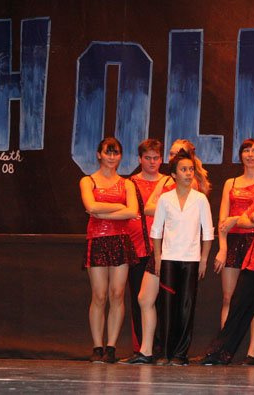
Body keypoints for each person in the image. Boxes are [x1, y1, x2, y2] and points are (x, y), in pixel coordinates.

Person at [121, 143, 210, 366]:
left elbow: (204, 229)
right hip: (164, 252)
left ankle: (166, 351)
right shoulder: (166, 188)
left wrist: (203, 258)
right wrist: (158, 254)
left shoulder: (190, 189)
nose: (187, 172)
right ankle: (150, 349)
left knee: (173, 303)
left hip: (183, 254)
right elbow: (151, 213)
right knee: (147, 299)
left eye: (177, 153)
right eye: (172, 153)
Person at [79, 137, 138, 363]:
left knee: (117, 294)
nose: (112, 157)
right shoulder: (88, 181)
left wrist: (102, 212)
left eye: (116, 153)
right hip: (97, 240)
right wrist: (119, 207)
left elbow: (132, 212)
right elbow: (90, 206)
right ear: (99, 154)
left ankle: (111, 347)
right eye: (108, 152)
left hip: (121, 240)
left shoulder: (127, 184)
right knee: (99, 295)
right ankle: (97, 346)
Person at [212, 138, 254, 364]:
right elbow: (223, 221)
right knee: (228, 297)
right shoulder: (230, 183)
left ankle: (253, 351)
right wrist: (222, 248)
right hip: (233, 243)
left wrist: (238, 220)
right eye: (246, 151)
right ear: (240, 155)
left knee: (253, 301)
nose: (250, 154)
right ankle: (223, 349)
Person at [123, 139, 167, 356]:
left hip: (164, 249)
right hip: (137, 248)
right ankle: (141, 348)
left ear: (162, 159)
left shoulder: (169, 181)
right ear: (139, 159)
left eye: (156, 158)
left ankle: (163, 347)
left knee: (163, 300)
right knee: (138, 300)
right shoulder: (130, 183)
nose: (152, 162)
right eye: (147, 158)